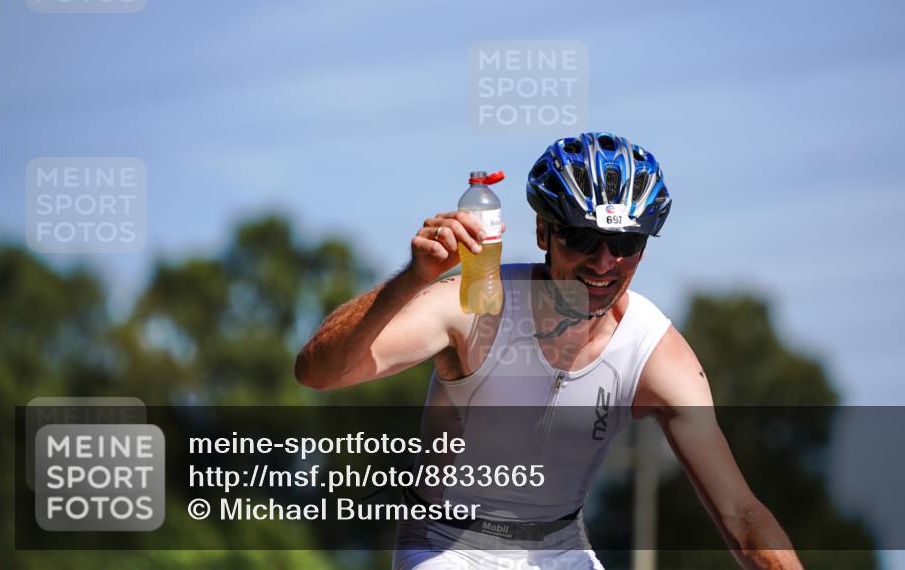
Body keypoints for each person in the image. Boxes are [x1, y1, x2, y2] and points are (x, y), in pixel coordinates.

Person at [295, 132, 803, 570]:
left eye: (625, 243)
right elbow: (317, 371)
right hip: (449, 547)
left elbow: (740, 513)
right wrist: (412, 279)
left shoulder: (654, 350)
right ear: (544, 231)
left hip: (560, 551)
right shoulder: (475, 304)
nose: (605, 262)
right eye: (584, 238)